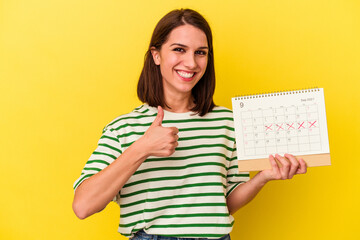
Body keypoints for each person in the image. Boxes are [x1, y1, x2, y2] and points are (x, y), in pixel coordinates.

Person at [72, 8, 307, 240]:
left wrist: (262, 177)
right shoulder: (124, 128)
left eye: (201, 52)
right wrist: (141, 148)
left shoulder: (227, 123)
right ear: (156, 55)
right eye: (179, 50)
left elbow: (219, 207)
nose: (191, 62)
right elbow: (83, 206)